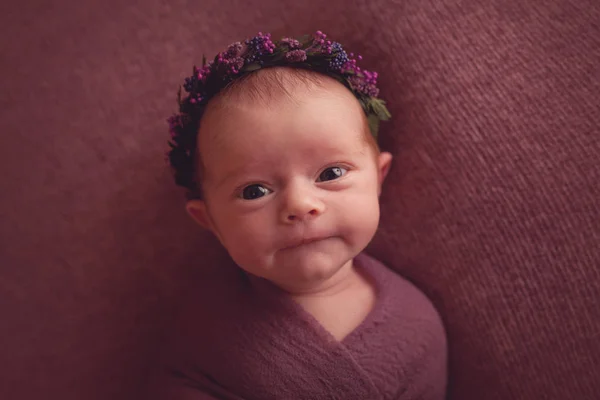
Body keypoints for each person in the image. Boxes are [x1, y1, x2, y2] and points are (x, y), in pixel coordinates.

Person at [154, 31, 447, 400]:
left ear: (378, 179)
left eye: (331, 174)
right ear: (210, 221)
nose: (300, 204)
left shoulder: (416, 326)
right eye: (254, 191)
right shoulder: (205, 328)